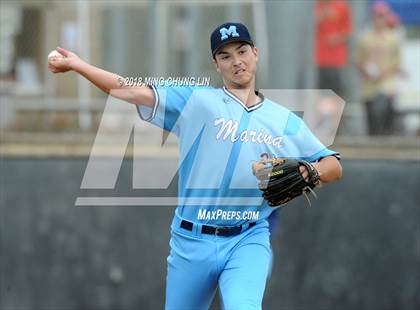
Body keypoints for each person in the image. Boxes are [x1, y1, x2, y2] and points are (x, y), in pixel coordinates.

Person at [48, 22, 342, 310]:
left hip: (247, 237)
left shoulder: (283, 120)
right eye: (225, 56)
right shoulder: (196, 100)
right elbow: (130, 90)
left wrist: (312, 172)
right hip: (191, 240)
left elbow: (332, 164)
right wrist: (79, 66)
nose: (236, 61)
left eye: (242, 51)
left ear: (256, 53)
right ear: (216, 65)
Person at [356, 2, 401, 135]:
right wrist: (366, 71)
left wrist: (383, 73)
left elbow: (397, 62)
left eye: (383, 16)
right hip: (369, 85)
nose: (380, 19)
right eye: (377, 16)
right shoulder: (365, 38)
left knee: (384, 111)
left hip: (387, 84)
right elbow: (358, 61)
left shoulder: (393, 38)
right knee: (372, 121)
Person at [314, 0, 352, 98]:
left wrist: (337, 38)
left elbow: (347, 32)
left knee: (336, 89)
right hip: (318, 58)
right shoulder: (316, 6)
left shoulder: (341, 6)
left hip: (336, 59)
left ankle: (337, 112)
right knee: (320, 89)